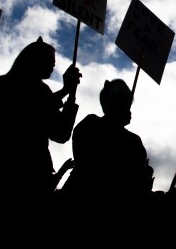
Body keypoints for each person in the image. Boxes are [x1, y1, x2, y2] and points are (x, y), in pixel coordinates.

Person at [0, 37, 81, 226]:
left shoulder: (44, 91)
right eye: (48, 60)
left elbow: (61, 134)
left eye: (53, 62)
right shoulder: (3, 85)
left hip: (35, 176)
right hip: (2, 171)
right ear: (31, 59)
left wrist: (71, 94)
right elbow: (25, 110)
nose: (52, 66)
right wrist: (64, 91)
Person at [60, 79, 155, 243]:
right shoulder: (91, 125)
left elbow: (139, 184)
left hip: (119, 218)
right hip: (82, 210)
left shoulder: (134, 141)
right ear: (108, 102)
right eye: (122, 102)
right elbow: (88, 164)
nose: (128, 108)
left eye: (128, 103)